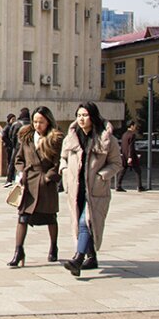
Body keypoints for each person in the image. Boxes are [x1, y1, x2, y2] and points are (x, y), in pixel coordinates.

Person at [60, 102, 122, 277]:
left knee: (85, 221)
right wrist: (64, 170)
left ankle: (78, 259)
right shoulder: (71, 137)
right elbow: (63, 158)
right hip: (75, 187)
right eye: (79, 115)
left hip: (96, 190)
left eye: (85, 115)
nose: (81, 119)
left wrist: (102, 175)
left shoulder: (106, 139)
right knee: (81, 222)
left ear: (93, 117)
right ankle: (91, 257)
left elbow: (117, 163)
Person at [7, 106, 64, 268]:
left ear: (48, 122)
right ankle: (18, 251)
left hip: (46, 184)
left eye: (41, 122)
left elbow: (59, 162)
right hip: (29, 182)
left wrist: (49, 176)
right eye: (35, 121)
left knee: (50, 218)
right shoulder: (27, 137)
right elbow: (18, 159)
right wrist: (21, 172)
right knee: (23, 218)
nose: (38, 125)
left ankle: (53, 247)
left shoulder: (55, 139)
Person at [117, 121, 145, 192]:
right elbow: (131, 146)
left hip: (124, 155)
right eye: (134, 125)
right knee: (137, 170)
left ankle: (118, 185)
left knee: (122, 170)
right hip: (131, 155)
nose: (135, 127)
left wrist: (123, 154)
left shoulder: (124, 135)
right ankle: (139, 186)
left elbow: (123, 145)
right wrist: (130, 157)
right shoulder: (132, 135)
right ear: (131, 126)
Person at [2, 112, 22, 187]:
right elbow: (7, 136)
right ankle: (10, 178)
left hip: (15, 146)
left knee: (13, 162)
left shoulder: (15, 125)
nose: (14, 120)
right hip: (11, 147)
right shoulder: (8, 127)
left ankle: (12, 177)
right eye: (12, 119)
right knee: (11, 162)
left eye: (14, 119)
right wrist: (10, 144)